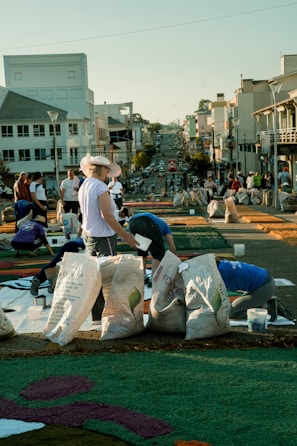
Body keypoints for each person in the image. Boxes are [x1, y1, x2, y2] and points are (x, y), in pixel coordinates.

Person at [78, 155, 138, 324]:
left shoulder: (85, 185)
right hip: (103, 236)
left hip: (89, 234)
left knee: (94, 276)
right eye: (107, 170)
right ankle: (110, 315)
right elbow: (106, 215)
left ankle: (97, 316)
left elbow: (92, 212)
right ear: (101, 170)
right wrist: (124, 234)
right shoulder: (100, 187)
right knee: (108, 277)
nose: (107, 174)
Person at [216, 258, 295, 321]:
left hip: (263, 288)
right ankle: (263, 303)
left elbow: (219, 295)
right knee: (234, 307)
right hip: (263, 284)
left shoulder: (221, 272)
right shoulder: (223, 265)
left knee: (230, 313)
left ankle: (268, 306)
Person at [128, 212, 177, 277]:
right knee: (158, 254)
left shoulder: (159, 223)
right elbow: (172, 247)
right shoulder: (166, 228)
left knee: (142, 251)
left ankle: (142, 276)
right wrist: (174, 261)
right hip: (146, 221)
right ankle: (154, 278)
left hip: (132, 222)